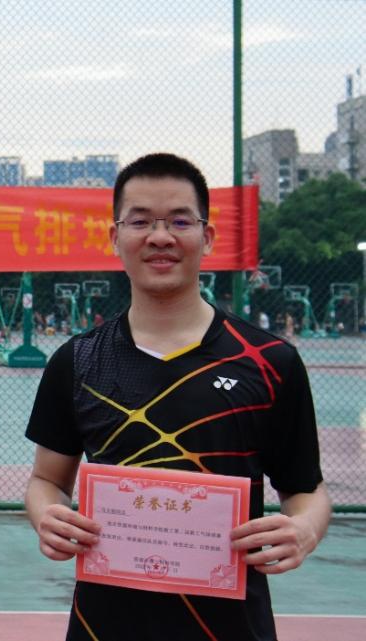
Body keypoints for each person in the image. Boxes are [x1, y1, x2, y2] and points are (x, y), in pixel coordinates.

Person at [23, 153, 330, 641]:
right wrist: (47, 516)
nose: (160, 237)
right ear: (115, 237)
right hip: (103, 626)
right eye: (140, 221)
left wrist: (305, 530)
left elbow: (306, 490)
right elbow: (46, 480)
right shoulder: (76, 361)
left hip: (233, 628)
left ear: (207, 237)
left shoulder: (270, 361)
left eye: (180, 221)